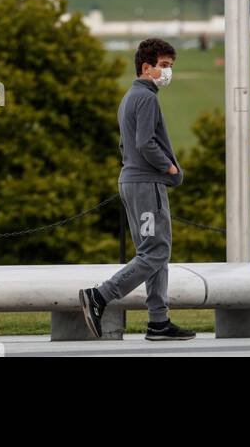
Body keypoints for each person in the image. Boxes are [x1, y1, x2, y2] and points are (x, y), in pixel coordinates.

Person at [80, 38, 196, 341]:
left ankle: (158, 322)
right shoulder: (146, 98)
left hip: (134, 181)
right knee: (156, 251)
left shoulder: (130, 96)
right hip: (146, 184)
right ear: (147, 67)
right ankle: (100, 296)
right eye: (165, 66)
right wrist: (170, 168)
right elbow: (146, 143)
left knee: (153, 252)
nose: (168, 72)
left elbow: (125, 144)